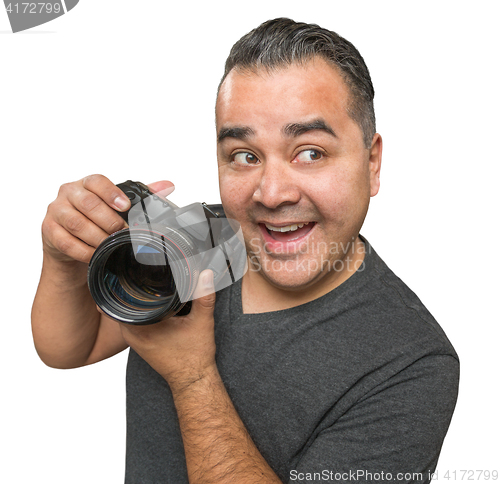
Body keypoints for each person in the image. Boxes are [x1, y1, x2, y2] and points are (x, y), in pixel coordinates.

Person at [32, 18, 459, 483]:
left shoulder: (411, 362)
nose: (272, 194)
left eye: (310, 152)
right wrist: (62, 260)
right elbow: (70, 347)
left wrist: (193, 378)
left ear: (371, 162)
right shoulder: (203, 239)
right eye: (244, 156)